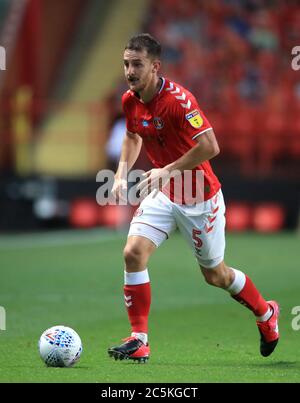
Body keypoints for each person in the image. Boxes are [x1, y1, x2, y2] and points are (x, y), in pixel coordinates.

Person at [107, 33, 279, 363]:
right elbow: (131, 135)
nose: (130, 71)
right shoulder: (130, 100)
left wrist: (167, 170)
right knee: (132, 253)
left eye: (137, 64)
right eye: (126, 64)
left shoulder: (179, 101)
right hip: (165, 192)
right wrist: (120, 172)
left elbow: (211, 146)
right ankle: (139, 338)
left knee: (217, 276)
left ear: (155, 67)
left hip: (200, 199)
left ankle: (265, 312)